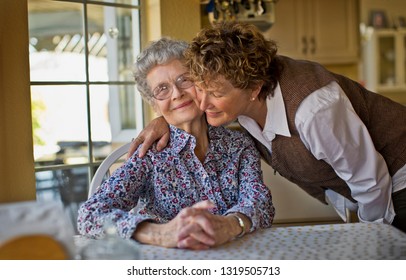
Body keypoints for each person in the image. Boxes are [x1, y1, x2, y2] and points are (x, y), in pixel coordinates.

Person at [128, 21, 406, 233]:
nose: (203, 102)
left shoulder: (315, 109)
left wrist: (374, 241)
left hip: (397, 178)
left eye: (215, 94)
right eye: (201, 88)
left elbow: (370, 182)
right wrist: (165, 118)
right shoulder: (230, 96)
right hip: (357, 194)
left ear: (254, 89)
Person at [77, 37, 275, 250]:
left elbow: (260, 203)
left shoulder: (238, 144)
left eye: (184, 80)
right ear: (154, 104)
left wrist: (229, 225)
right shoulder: (149, 153)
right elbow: (90, 215)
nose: (177, 93)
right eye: (162, 89)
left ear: (201, 82)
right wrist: (160, 233)